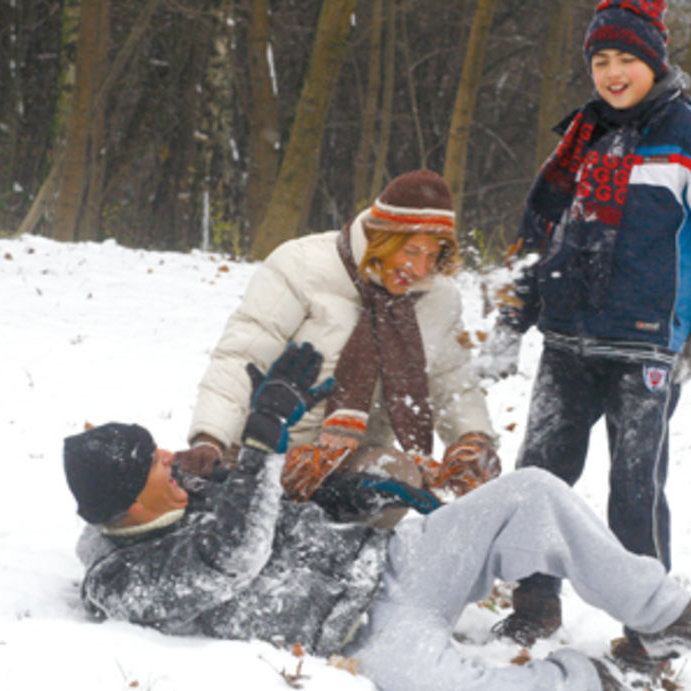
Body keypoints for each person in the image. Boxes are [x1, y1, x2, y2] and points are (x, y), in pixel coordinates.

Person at [65, 343, 691, 691]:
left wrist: (350, 495)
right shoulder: (123, 580)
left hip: (393, 560)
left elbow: (275, 510)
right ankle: (587, 680)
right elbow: (229, 563)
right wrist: (261, 440)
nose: (171, 458)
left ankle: (666, 615)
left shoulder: (189, 489)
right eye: (153, 463)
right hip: (362, 634)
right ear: (127, 504)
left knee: (533, 493)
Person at [477, 0, 691, 648]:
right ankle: (535, 602)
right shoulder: (582, 137)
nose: (612, 72)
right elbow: (545, 238)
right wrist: (514, 317)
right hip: (569, 337)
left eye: (626, 59)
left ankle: (650, 626)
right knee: (540, 474)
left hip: (645, 345)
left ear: (654, 61)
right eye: (600, 60)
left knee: (634, 487)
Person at [178, 169, 500, 508]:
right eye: (411, 251)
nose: (420, 269)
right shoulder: (302, 266)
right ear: (382, 238)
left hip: (351, 461)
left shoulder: (437, 298)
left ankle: (353, 553)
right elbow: (243, 357)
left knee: (396, 477)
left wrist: (473, 439)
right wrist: (210, 437)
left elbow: (453, 382)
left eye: (432, 256)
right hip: (262, 449)